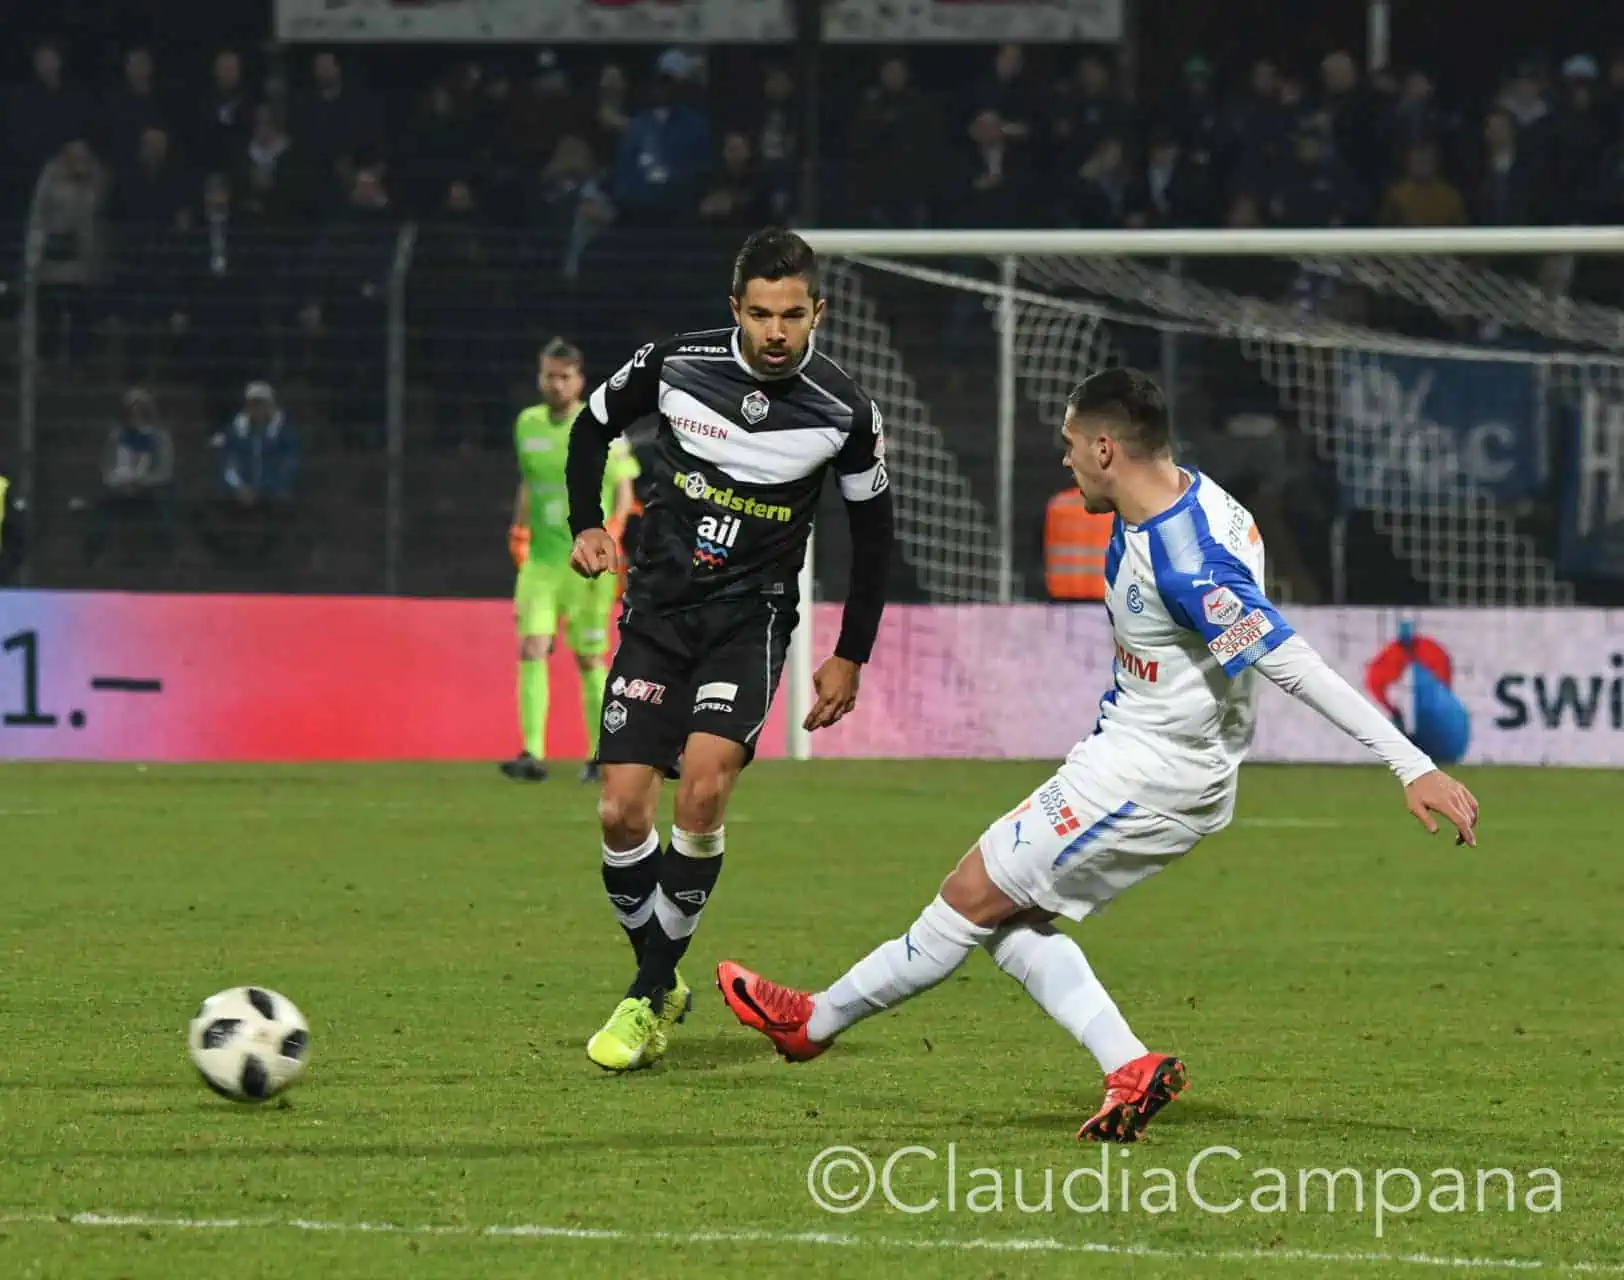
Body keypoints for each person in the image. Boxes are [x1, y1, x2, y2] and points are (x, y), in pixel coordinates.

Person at [717, 367, 1479, 1141]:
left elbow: (1292, 662)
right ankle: (1129, 1065)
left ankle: (811, 1024)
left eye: (1071, 445)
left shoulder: (1187, 561)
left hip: (1152, 777)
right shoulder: (1185, 497)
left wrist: (1409, 763)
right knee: (1004, 924)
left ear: (1108, 448)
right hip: (1137, 755)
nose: (1065, 460)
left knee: (967, 894)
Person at [566, 227, 895, 1072]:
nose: (776, 332)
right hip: (658, 614)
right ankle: (661, 978)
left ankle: (644, 998)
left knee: (703, 794)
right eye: (760, 314)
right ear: (735, 311)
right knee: (619, 811)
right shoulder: (674, 363)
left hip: (748, 624)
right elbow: (591, 428)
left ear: (818, 311)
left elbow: (874, 536)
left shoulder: (846, 412)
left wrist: (849, 651)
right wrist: (587, 522)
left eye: (792, 314)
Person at [502, 338, 640, 784]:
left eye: (564, 377)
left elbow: (624, 491)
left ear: (580, 380)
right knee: (532, 647)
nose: (556, 384)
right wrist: (518, 529)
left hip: (588, 567)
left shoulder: (601, 425)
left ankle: (601, 753)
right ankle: (531, 753)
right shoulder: (527, 424)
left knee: (588, 658)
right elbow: (528, 481)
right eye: (549, 376)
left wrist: (612, 536)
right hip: (542, 562)